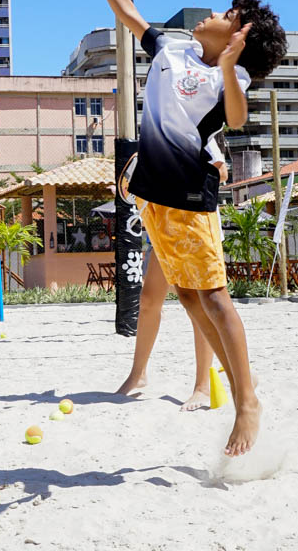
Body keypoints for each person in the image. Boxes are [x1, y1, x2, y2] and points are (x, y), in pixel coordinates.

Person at [80, 0, 287, 456]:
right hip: (153, 196)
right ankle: (245, 384)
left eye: (224, 14)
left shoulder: (231, 75)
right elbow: (129, 13)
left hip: (191, 193)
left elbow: (235, 120)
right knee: (190, 299)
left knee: (214, 298)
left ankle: (246, 403)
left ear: (238, 35)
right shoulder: (171, 49)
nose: (210, 13)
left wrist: (232, 65)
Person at [117, 152, 228, 412]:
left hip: (197, 227)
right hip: (166, 227)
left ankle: (202, 386)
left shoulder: (199, 128)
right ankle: (138, 375)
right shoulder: (163, 133)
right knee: (148, 301)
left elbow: (221, 173)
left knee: (198, 307)